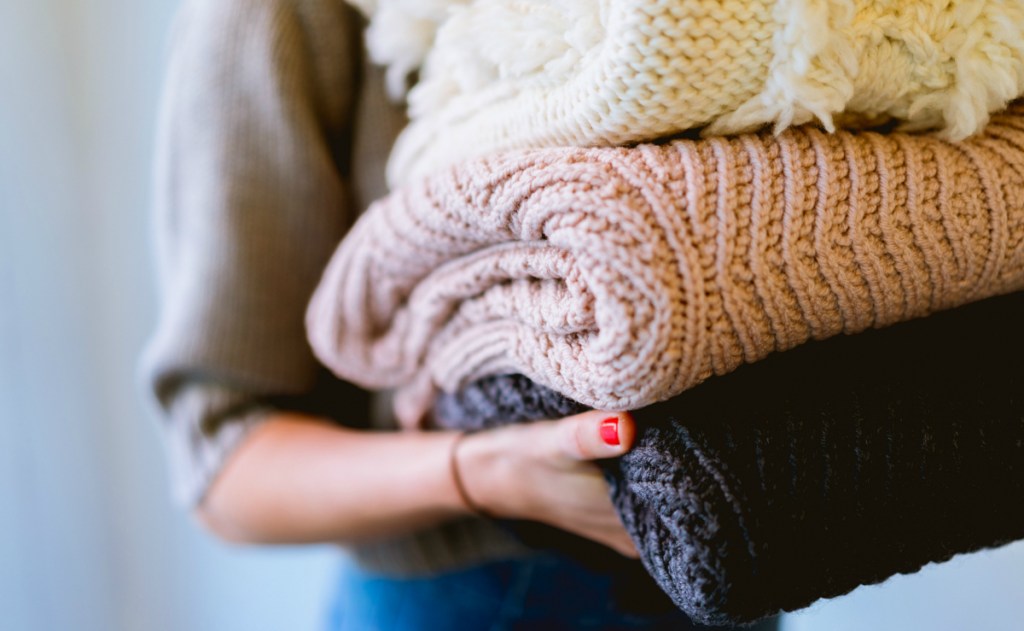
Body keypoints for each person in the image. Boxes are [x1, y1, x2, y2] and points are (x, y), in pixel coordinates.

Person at [142, 0, 775, 628]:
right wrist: (483, 473)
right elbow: (224, 470)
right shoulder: (275, 17)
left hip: (740, 564)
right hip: (479, 598)